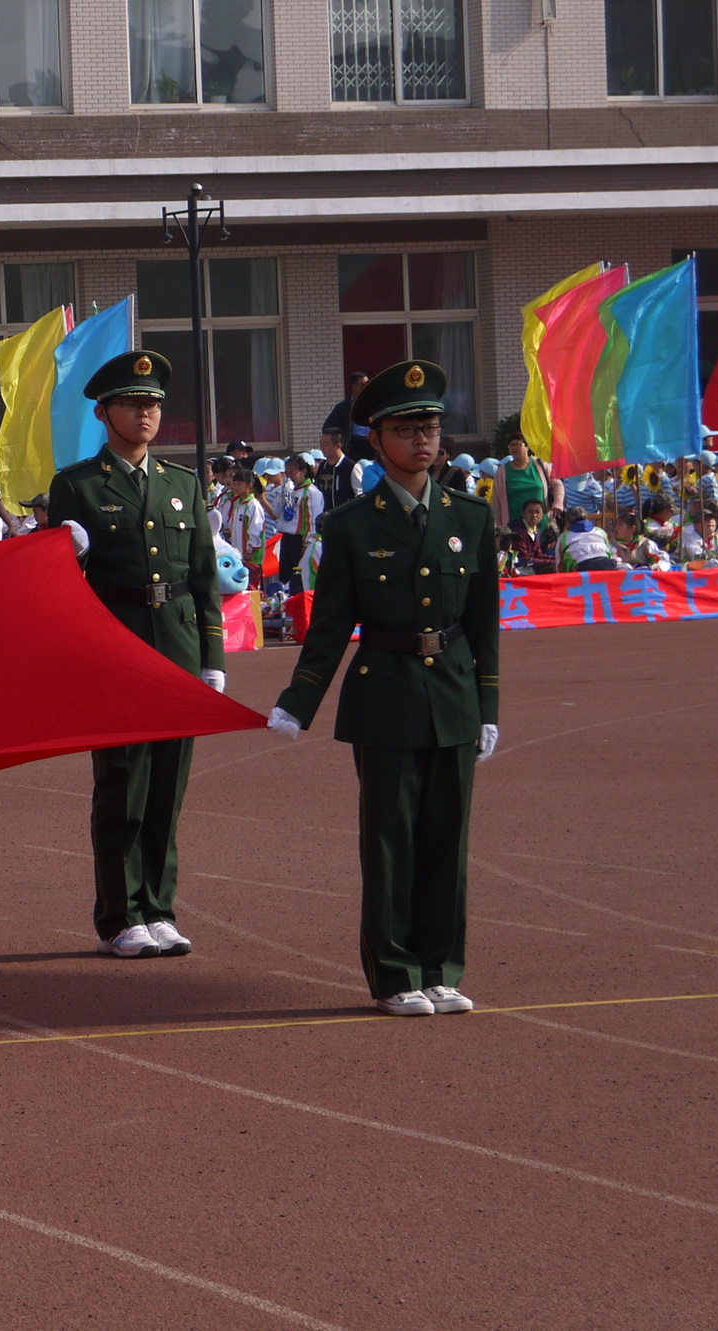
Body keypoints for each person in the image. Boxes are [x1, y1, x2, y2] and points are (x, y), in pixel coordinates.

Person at [268, 361, 498, 1018]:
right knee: (391, 841)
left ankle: (441, 966)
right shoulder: (351, 525)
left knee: (446, 840)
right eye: (406, 428)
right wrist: (299, 699)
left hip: (453, 692)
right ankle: (396, 972)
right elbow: (332, 624)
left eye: (429, 426)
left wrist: (490, 706)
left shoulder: (471, 517)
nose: (422, 439)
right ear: (378, 439)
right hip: (386, 693)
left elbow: (483, 623)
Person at [47, 349, 226, 959]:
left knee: (169, 784)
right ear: (104, 412)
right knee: (123, 781)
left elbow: (203, 574)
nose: (147, 413)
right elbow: (67, 584)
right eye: (134, 403)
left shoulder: (182, 483)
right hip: (116, 643)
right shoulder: (77, 485)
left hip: (175, 641)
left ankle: (159, 906)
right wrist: (64, 552)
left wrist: (213, 657)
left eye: (153, 404)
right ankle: (120, 914)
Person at [275, 454, 327, 593]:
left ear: (303, 472)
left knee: (297, 579)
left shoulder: (312, 493)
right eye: (287, 473)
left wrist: (308, 544)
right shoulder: (289, 491)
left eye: (293, 472)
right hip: (286, 539)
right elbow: (276, 513)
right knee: (285, 577)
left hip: (300, 541)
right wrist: (283, 495)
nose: (290, 476)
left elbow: (313, 521)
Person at [322, 370, 375, 463]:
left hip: (371, 444)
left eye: (368, 384)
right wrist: (341, 438)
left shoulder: (373, 404)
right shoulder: (343, 407)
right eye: (362, 384)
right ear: (354, 386)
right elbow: (327, 426)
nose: (366, 387)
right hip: (353, 445)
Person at [317, 426, 361, 511]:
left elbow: (359, 495)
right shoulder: (322, 467)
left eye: (325, 444)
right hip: (325, 518)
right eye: (321, 444)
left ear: (338, 445)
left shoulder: (351, 467)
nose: (322, 448)